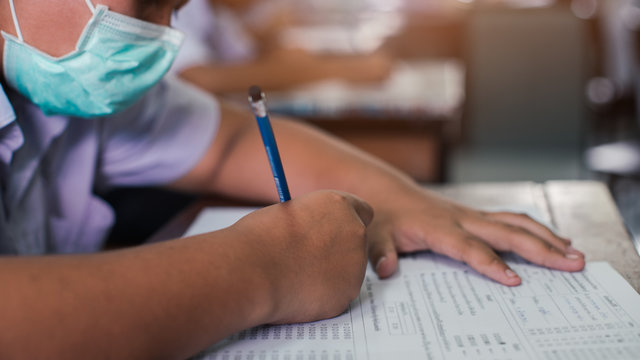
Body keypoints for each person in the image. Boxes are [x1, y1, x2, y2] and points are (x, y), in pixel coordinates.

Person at [0, 0, 585, 359]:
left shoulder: (68, 92)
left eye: (175, 9)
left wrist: (401, 199)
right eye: (150, 1)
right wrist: (267, 269)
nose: (162, 36)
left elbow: (228, 140)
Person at [171, 0, 393, 94]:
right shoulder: (185, 6)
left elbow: (259, 59)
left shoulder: (220, 12)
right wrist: (341, 71)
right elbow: (201, 80)